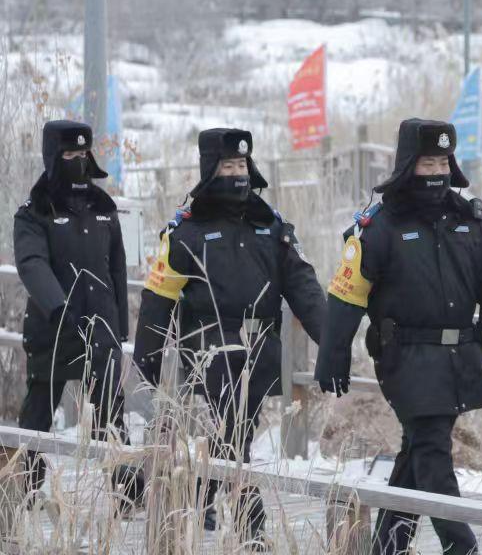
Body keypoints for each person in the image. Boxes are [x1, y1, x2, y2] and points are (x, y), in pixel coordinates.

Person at [315, 118, 482, 555]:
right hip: (405, 358)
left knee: (417, 452)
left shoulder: (469, 221)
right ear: (408, 165)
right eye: (428, 163)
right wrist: (333, 354)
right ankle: (463, 548)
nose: (438, 171)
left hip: (459, 356)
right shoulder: (379, 227)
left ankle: (388, 547)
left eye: (443, 162)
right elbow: (346, 293)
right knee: (433, 454)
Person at [133, 128, 325, 549]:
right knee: (234, 431)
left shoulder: (270, 225)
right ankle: (251, 525)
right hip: (210, 348)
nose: (237, 173)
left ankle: (202, 492)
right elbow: (158, 297)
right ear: (210, 170)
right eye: (227, 166)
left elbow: (303, 285)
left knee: (236, 430)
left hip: (261, 347)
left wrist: (331, 343)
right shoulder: (187, 231)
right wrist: (147, 357)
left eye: (241, 165)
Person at [14, 120, 142, 512]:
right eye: (70, 154)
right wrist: (57, 306)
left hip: (100, 329)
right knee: (37, 414)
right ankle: (22, 489)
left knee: (111, 414)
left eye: (84, 154)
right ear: (54, 157)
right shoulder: (34, 212)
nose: (79, 161)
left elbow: (116, 269)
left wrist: (119, 327)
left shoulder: (104, 208)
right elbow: (31, 262)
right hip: (53, 329)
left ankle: (128, 494)